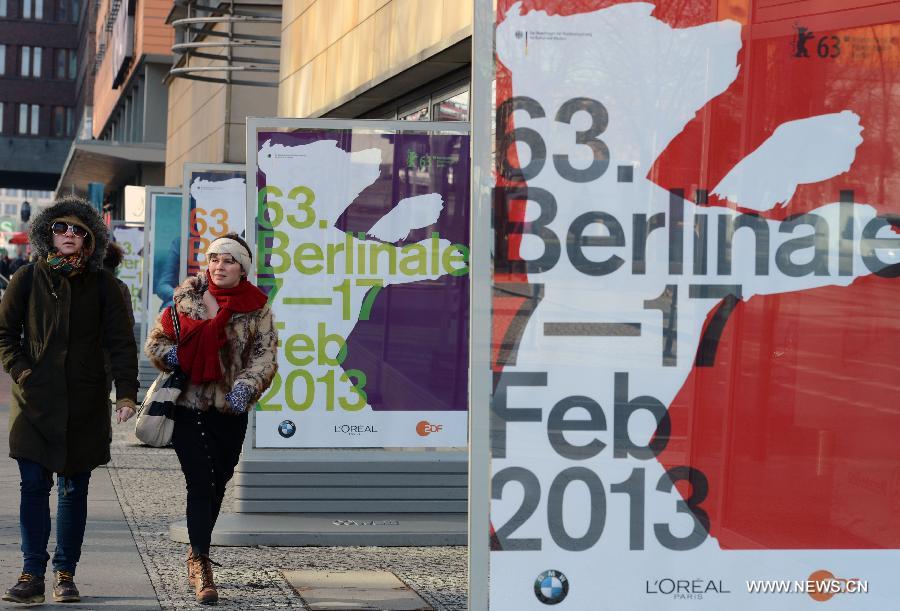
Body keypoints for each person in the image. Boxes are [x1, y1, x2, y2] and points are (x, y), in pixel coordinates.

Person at [0, 196, 139, 605]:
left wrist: (126, 392)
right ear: (48, 233)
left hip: (84, 403)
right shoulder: (26, 278)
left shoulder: (106, 287)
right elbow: (4, 334)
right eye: (62, 228)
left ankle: (65, 573)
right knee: (32, 486)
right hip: (34, 404)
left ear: (91, 241)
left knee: (74, 491)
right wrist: (24, 371)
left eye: (79, 231)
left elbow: (121, 344)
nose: (69, 236)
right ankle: (31, 572)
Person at [144, 233, 277, 605]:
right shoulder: (186, 299)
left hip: (230, 411)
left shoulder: (258, 308)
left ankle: (196, 549)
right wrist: (173, 357)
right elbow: (156, 341)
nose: (220, 266)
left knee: (219, 482)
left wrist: (247, 386)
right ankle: (200, 561)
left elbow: (265, 356)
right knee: (201, 483)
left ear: (243, 268)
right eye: (216, 259)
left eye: (229, 260)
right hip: (188, 406)